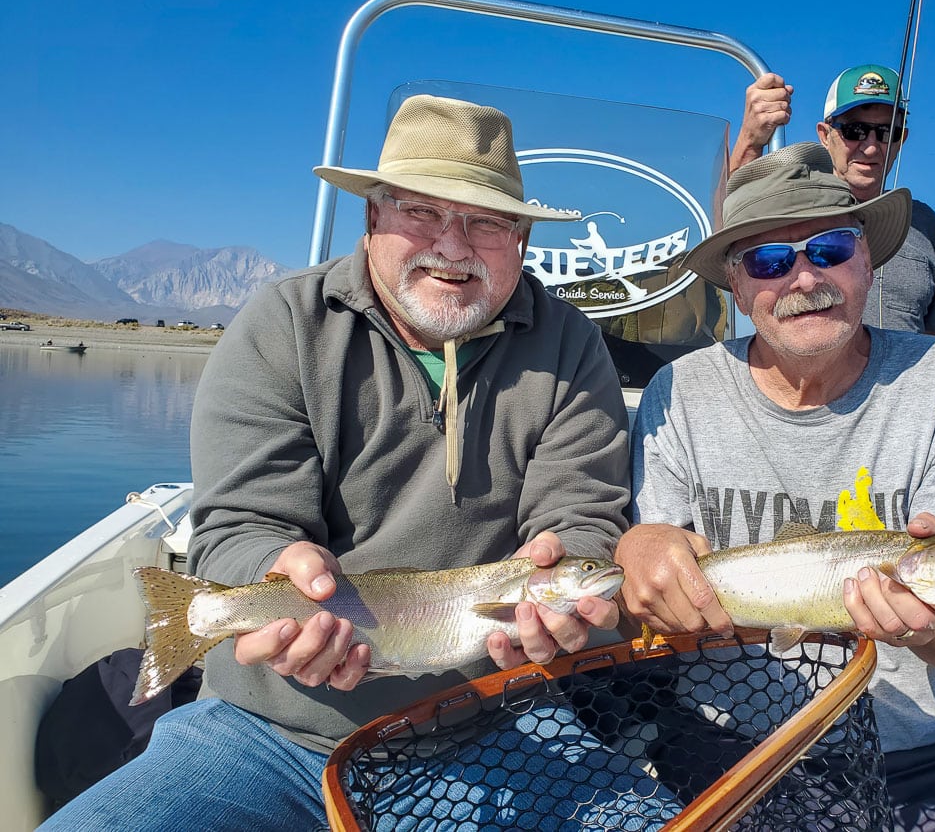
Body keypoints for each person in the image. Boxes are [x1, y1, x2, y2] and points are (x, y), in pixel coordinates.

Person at [39, 95, 635, 830]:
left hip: (498, 720)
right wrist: (275, 572)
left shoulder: (572, 346)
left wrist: (573, 561)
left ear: (520, 238)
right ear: (373, 218)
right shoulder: (282, 323)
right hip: (266, 730)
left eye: (486, 222)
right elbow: (237, 524)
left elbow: (584, 513)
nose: (452, 246)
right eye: (421, 211)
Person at [616, 143, 935, 830]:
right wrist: (639, 550)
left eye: (830, 249)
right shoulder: (680, 392)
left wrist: (930, 626)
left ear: (868, 262)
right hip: (739, 749)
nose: (803, 277)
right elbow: (655, 613)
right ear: (736, 282)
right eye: (767, 260)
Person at [730, 65, 935, 336]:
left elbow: (933, 331)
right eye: (854, 131)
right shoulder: (794, 203)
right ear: (824, 135)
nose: (870, 147)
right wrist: (750, 140)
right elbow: (732, 218)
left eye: (886, 132)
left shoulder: (924, 222)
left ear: (901, 139)